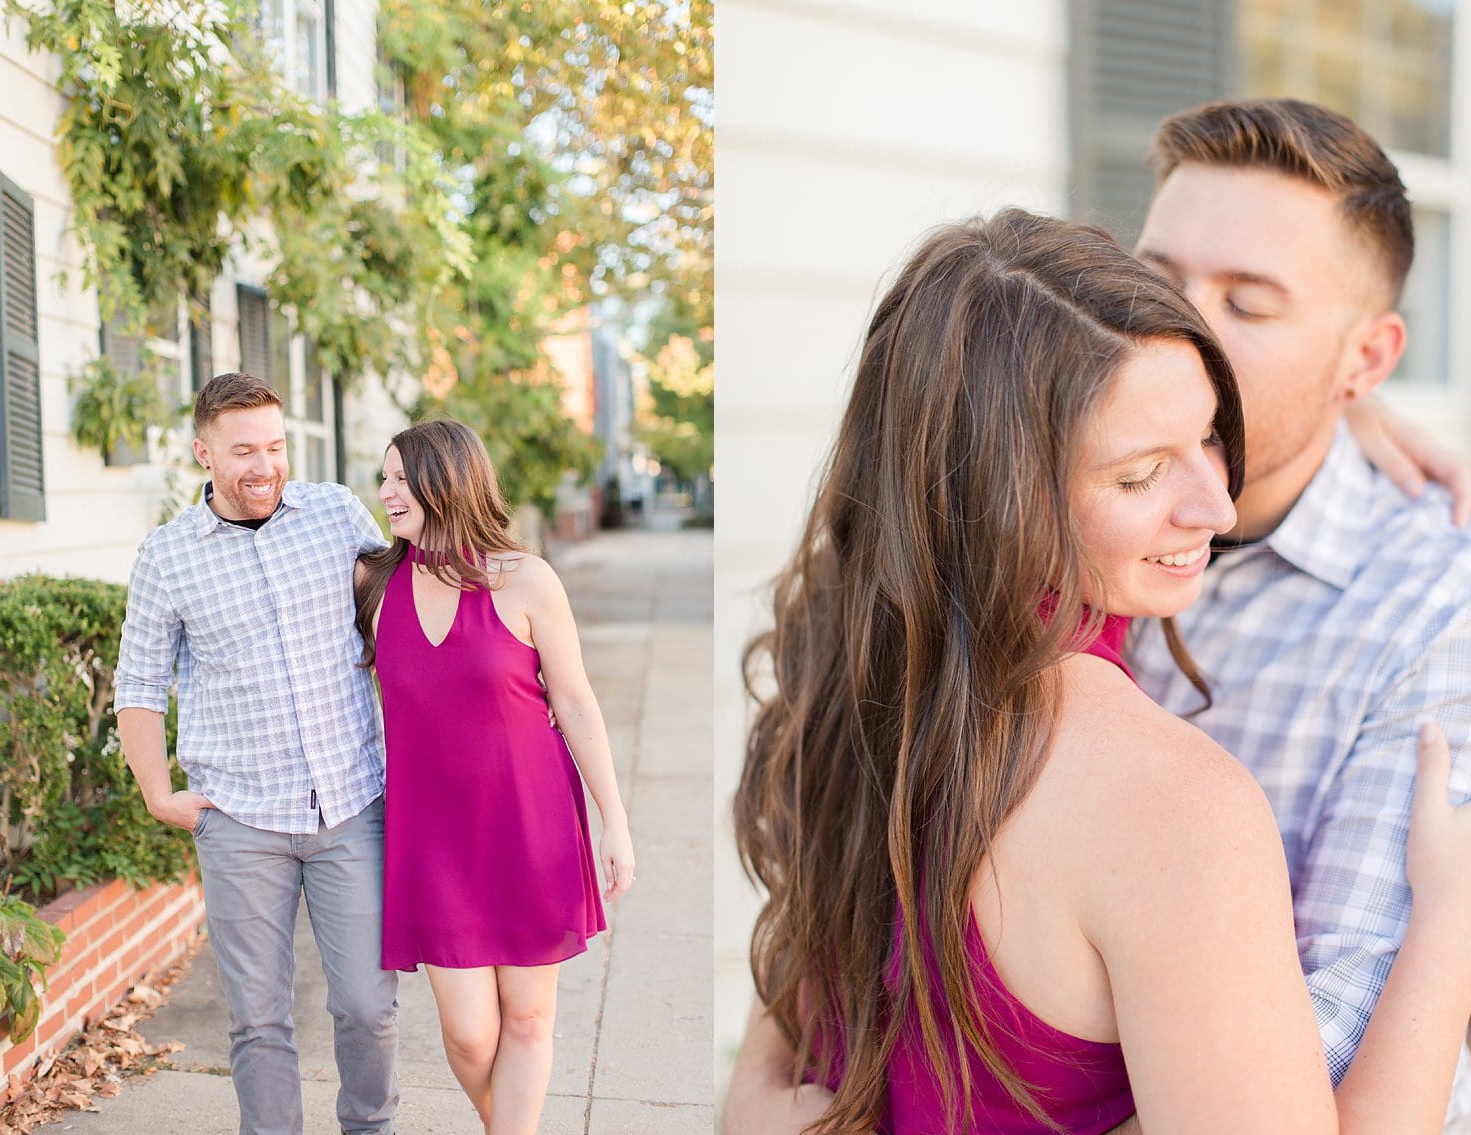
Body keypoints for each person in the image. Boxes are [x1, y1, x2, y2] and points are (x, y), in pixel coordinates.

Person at [725, 98, 1471, 1133]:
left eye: (1249, 306)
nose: (1190, 325)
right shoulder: (963, 633)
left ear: (1366, 359)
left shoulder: (1435, 616)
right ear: (1014, 463)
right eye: (1161, 281)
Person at [115, 372, 398, 1134]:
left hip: (351, 804)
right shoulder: (167, 557)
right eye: (244, 450)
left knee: (368, 1005)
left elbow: (396, 611)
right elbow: (137, 681)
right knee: (257, 1018)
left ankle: (370, 1126)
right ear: (203, 451)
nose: (265, 465)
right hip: (239, 818)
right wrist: (157, 791)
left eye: (275, 445)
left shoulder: (336, 512)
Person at [352, 419, 635, 1135]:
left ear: (446, 479)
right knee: (471, 1035)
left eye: (398, 477)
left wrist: (614, 821)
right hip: (434, 839)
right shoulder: (374, 585)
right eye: (382, 477)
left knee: (530, 1020)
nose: (385, 492)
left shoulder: (527, 579)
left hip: (528, 824)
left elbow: (574, 701)